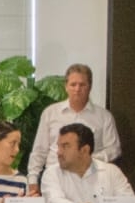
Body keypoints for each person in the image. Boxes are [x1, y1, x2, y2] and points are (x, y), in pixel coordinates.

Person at [27, 64, 121, 193]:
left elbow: (114, 149)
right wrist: (33, 180)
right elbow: (39, 150)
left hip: (91, 179)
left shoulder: (104, 116)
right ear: (66, 87)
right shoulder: (50, 113)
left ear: (90, 86)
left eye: (82, 85)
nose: (77, 89)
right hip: (55, 178)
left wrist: (89, 159)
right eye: (73, 84)